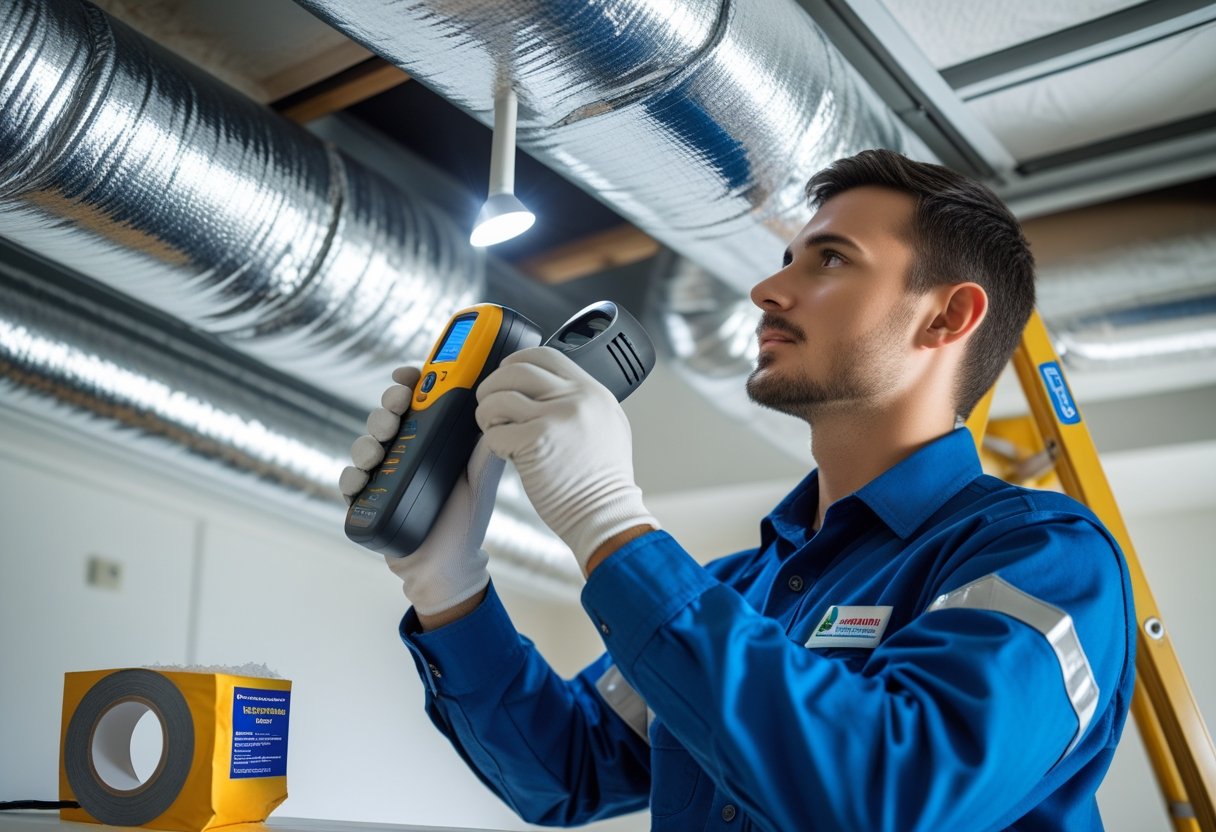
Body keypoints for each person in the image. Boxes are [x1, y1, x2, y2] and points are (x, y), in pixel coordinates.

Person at [340, 149, 1135, 831]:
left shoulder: (1044, 557)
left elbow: (889, 797)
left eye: (829, 260)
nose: (767, 290)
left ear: (947, 316)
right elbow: (568, 771)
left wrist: (608, 522)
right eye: (787, 259)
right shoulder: (735, 592)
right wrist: (448, 587)